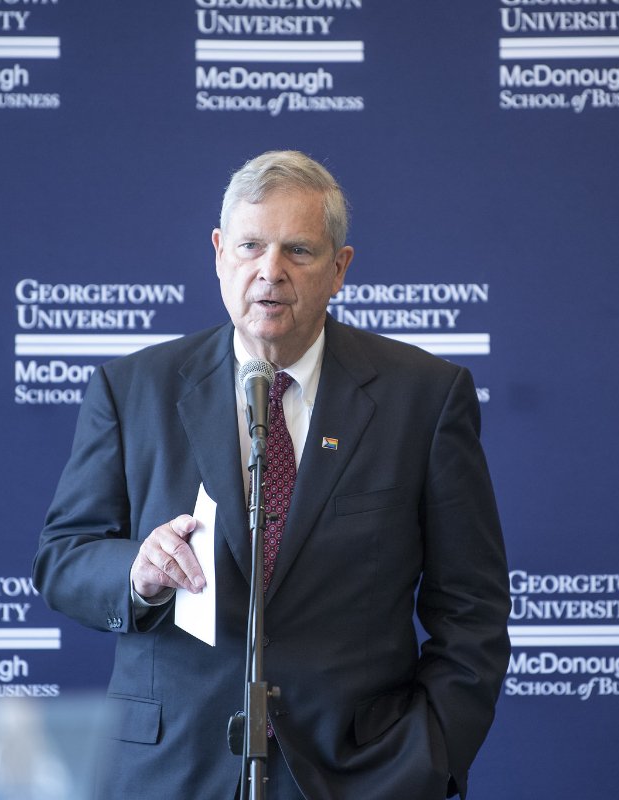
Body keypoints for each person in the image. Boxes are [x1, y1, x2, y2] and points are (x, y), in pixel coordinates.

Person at [33, 150, 510, 799]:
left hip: (362, 773)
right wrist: (138, 577)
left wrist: (428, 755)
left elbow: (472, 610)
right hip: (173, 769)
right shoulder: (132, 389)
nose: (270, 271)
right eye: (251, 246)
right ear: (218, 251)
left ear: (340, 268)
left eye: (299, 251)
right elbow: (64, 559)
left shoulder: (423, 397)